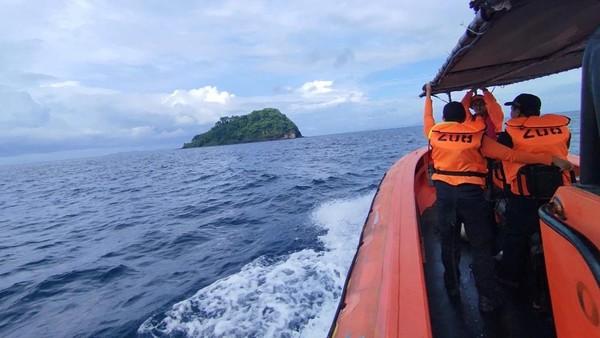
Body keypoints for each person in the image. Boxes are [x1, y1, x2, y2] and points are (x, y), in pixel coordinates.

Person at [423, 83, 572, 313]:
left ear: (444, 118)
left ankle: (452, 289)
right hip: (472, 196)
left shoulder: (434, 132)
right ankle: (487, 299)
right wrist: (549, 160)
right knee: (481, 247)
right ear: (465, 116)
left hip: (445, 197)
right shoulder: (478, 137)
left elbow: (428, 117)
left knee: (448, 243)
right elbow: (510, 155)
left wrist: (430, 96)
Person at [496, 94, 572, 300]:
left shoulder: (511, 133)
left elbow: (499, 153)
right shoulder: (562, 129)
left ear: (519, 111)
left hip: (523, 194)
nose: (511, 113)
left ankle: (510, 279)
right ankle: (562, 278)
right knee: (559, 236)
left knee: (516, 236)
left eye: (513, 109)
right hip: (558, 194)